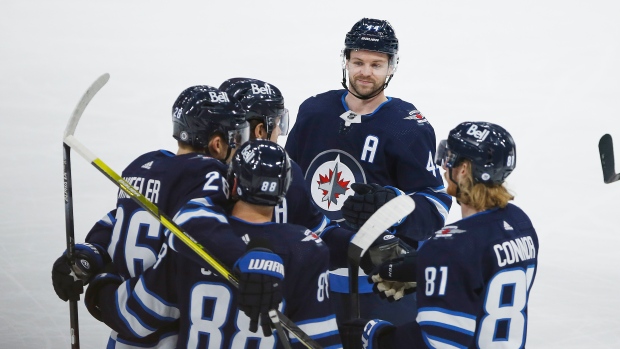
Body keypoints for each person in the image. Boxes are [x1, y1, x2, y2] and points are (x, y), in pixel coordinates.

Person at [52, 86, 284, 348]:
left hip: (120, 338)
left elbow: (117, 220)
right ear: (217, 144)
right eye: (236, 138)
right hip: (160, 330)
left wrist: (87, 255)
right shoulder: (210, 174)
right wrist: (250, 260)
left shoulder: (142, 166)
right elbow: (197, 225)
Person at [84, 139, 342, 349]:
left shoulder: (192, 241)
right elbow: (320, 339)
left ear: (233, 183)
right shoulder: (306, 248)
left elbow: (137, 317)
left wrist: (101, 287)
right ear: (284, 190)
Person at [284, 17, 453, 325]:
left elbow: (437, 207)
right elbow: (289, 185)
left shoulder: (407, 126)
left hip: (379, 286)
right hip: (311, 279)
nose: (365, 72)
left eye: (376, 64)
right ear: (345, 61)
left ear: (391, 67)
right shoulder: (313, 112)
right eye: (358, 61)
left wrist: (396, 206)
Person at [346, 121, 539, 349]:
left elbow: (439, 343)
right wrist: (424, 270)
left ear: (463, 169)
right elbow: (484, 270)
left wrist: (377, 337)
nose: (443, 167)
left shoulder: (446, 249)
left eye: (449, 158)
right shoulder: (521, 225)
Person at [219, 77, 330, 232]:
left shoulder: (205, 177)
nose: (278, 131)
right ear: (260, 131)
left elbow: (320, 229)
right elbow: (321, 233)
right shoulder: (286, 173)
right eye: (277, 123)